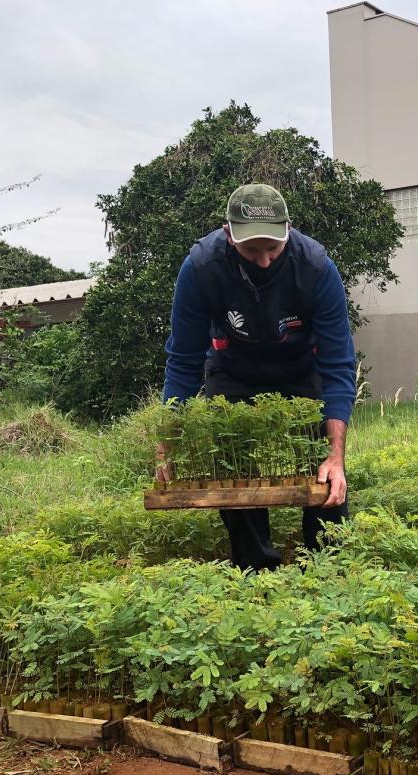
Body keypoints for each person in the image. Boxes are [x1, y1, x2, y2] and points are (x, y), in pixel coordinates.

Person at [157, 184, 354, 570]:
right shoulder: (201, 269)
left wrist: (336, 456)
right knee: (231, 462)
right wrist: (167, 446)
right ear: (229, 234)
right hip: (233, 369)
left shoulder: (316, 268)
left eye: (273, 249)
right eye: (251, 250)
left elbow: (338, 365)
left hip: (301, 369)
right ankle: (258, 570)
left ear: (288, 231)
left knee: (326, 470)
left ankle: (328, 567)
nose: (263, 261)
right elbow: (183, 361)